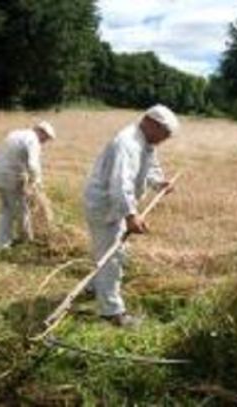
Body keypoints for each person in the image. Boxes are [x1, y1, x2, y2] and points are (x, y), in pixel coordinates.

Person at [83, 104, 179, 327]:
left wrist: (159, 183)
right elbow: (120, 183)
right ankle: (112, 313)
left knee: (115, 251)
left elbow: (151, 167)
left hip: (115, 205)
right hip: (104, 205)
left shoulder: (146, 141)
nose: (164, 140)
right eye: (164, 135)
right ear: (151, 123)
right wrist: (130, 215)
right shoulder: (127, 143)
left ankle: (95, 287)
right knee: (112, 257)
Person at [0, 121, 56, 249]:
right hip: (10, 178)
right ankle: (26, 240)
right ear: (40, 132)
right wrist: (37, 182)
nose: (45, 142)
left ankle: (1, 242)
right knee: (22, 210)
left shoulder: (16, 133)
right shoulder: (33, 140)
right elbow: (33, 165)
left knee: (6, 209)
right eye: (45, 138)